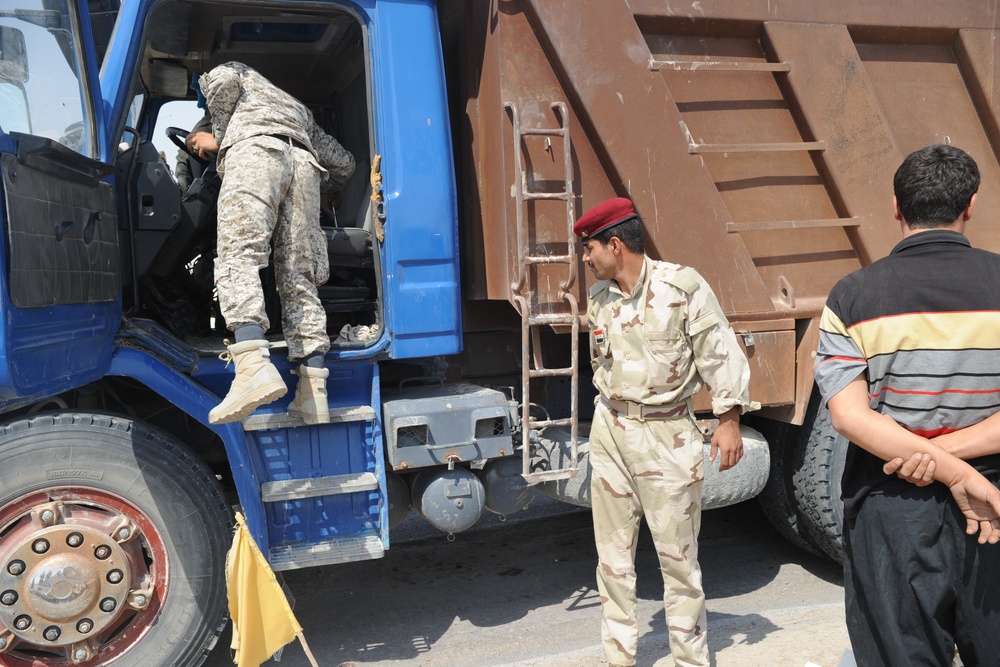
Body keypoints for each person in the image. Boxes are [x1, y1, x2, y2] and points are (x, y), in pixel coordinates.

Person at [814, 144, 1000, 666]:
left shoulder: (852, 295)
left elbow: (848, 415)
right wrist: (966, 471)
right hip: (993, 504)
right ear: (971, 205)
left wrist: (941, 464)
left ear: (896, 207)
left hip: (892, 502)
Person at [575, 198, 759, 667]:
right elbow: (603, 363)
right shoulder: (599, 298)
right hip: (611, 429)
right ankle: (618, 658)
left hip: (667, 435)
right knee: (612, 562)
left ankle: (691, 661)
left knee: (678, 564)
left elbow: (720, 352)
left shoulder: (682, 286)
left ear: (615, 245)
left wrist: (729, 421)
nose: (585, 258)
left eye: (589, 248)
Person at [187, 61, 356, 425]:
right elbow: (344, 164)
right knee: (299, 276)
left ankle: (251, 369)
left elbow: (221, 78)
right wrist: (329, 192)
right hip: (305, 166)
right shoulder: (300, 112)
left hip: (255, 153)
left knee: (238, 254)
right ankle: (313, 395)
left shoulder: (238, 71)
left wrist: (221, 136)